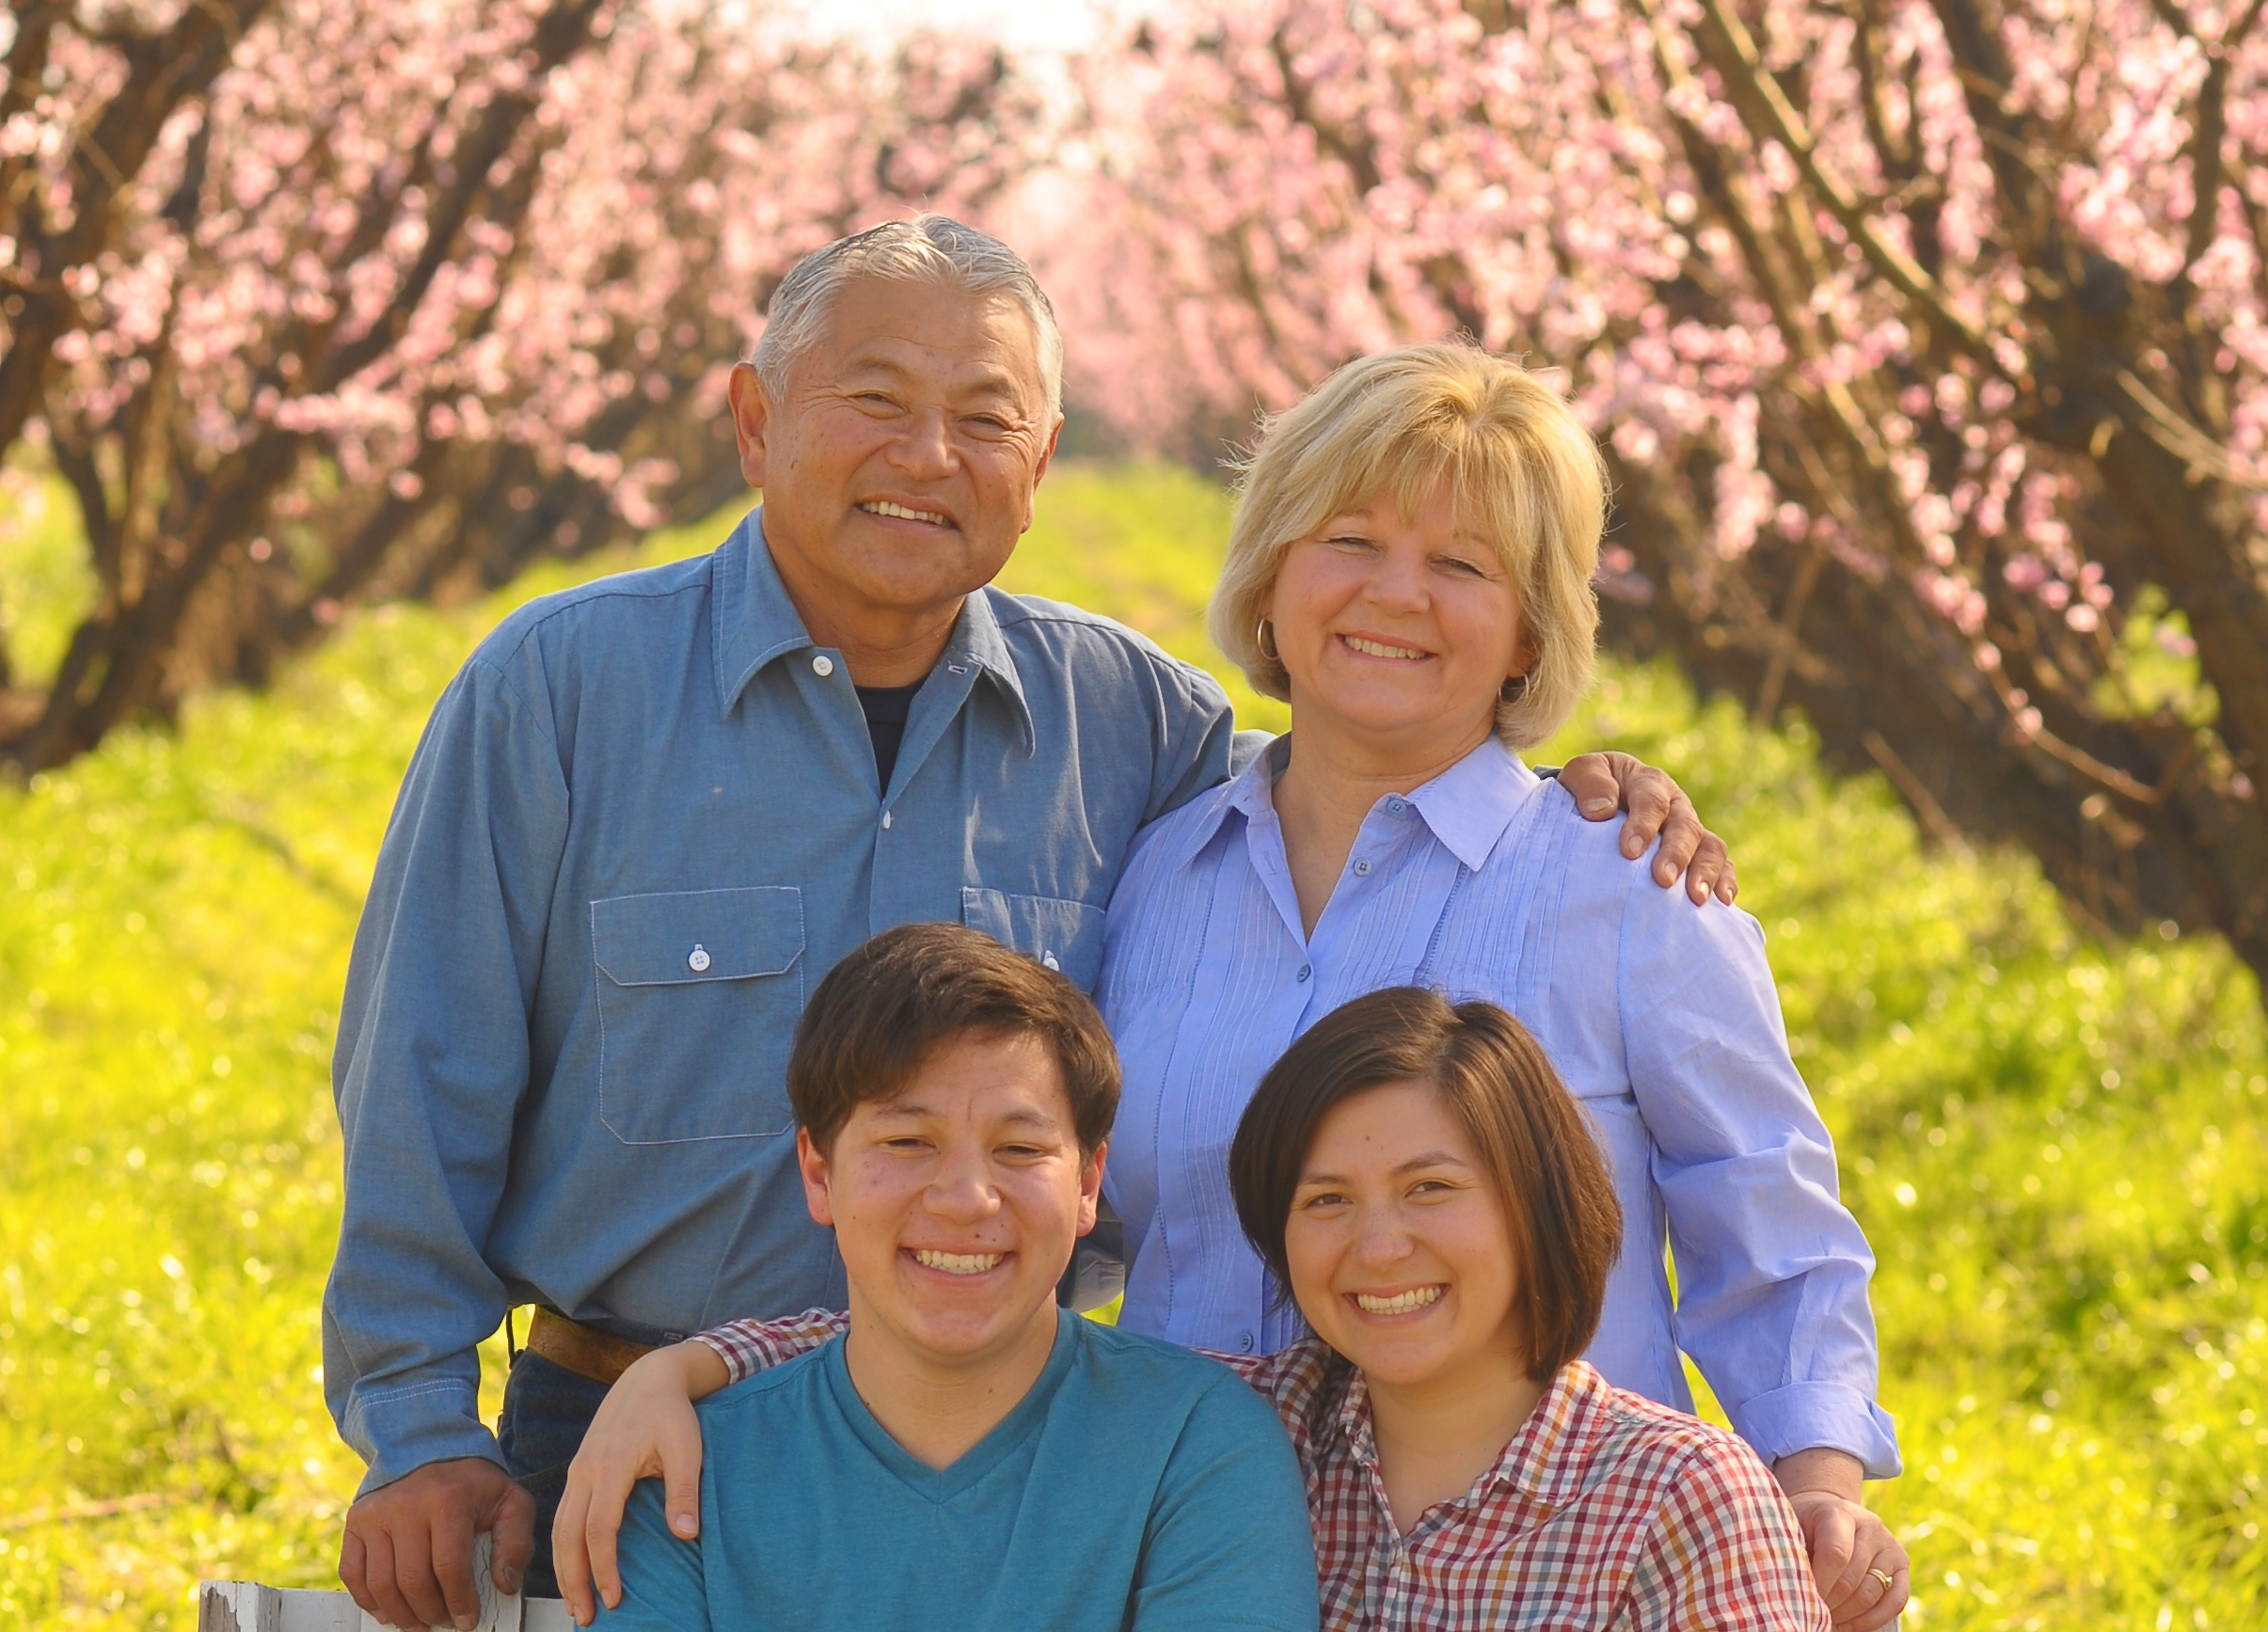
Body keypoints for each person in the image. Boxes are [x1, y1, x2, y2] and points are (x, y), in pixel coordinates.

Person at [324, 217, 1727, 1632]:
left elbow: (1361, 780)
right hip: (639, 1426)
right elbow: (420, 1073)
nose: (928, 455)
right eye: (873, 398)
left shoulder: (1138, 726)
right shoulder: (559, 690)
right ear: (754, 422)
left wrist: (1563, 793)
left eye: (985, 417)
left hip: (1037, 1464)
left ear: (1041, 463)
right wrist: (421, 1429)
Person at [1089, 343, 1908, 1630]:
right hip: (1188, 1560)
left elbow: (1767, 1211)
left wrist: (1811, 1483)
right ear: (1269, 574)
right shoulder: (1154, 874)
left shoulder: (1623, 884)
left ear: (1532, 628)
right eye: (1348, 538)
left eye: (1462, 565)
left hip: (1538, 1567)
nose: (1395, 595)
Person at [561, 989, 1860, 1630]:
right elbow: (957, 1332)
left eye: (1428, 1188)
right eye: (1324, 1199)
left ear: (1532, 1200)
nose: (1377, 1243)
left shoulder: (1674, 1492)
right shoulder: (1247, 1418)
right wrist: (676, 1370)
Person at [588, 922, 1319, 1632]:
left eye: (1019, 1147)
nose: (967, 1196)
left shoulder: (1198, 1444)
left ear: (1089, 1182)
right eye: (908, 1141)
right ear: (819, 1173)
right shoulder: (685, 1466)